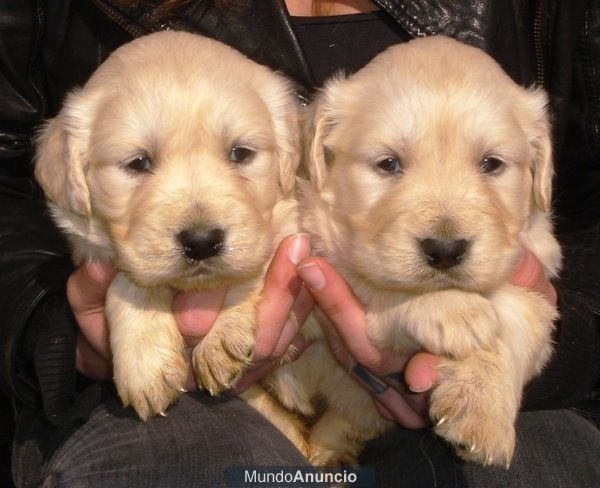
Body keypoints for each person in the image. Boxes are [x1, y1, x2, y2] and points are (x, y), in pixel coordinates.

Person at [0, 0, 598, 486]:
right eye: (388, 162)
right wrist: (52, 333)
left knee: (531, 468)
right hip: (179, 411)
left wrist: (558, 334)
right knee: (179, 464)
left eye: (241, 155)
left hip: (527, 394)